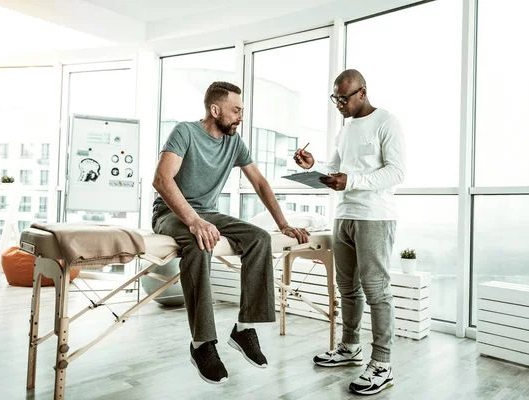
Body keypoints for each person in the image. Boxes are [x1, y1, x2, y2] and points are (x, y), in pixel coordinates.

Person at [152, 81, 310, 385]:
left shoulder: (235, 143)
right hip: (171, 212)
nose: (240, 116)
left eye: (242, 111)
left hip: (208, 213)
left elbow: (261, 183)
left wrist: (283, 224)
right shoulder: (184, 132)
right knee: (200, 244)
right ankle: (202, 344)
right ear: (215, 109)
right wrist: (195, 221)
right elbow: (162, 179)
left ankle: (245, 328)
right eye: (236, 110)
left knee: (258, 238)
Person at [294, 69, 405, 396]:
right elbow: (336, 172)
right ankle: (349, 347)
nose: (339, 104)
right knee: (347, 288)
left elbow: (396, 172)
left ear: (362, 92)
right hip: (344, 215)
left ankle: (382, 364)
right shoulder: (345, 130)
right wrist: (313, 167)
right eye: (335, 98)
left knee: (376, 289)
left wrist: (351, 181)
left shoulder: (387, 122)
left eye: (343, 98)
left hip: (375, 217)